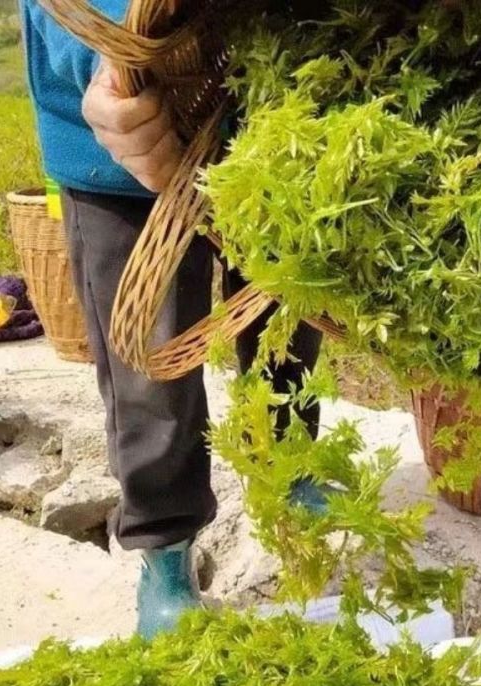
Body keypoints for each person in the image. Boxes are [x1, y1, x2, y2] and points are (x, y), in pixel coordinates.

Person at [21, 1, 324, 638]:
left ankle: (287, 463)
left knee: (286, 316)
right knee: (147, 370)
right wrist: (118, 48)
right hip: (117, 144)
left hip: (267, 116)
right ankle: (164, 550)